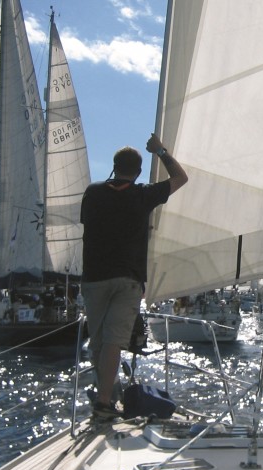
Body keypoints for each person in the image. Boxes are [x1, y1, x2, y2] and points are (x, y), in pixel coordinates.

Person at [81, 133, 188, 418]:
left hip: (94, 278)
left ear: (114, 167)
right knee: (114, 340)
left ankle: (106, 393)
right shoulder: (143, 195)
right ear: (138, 171)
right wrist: (161, 151)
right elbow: (180, 178)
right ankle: (105, 400)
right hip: (127, 280)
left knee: (100, 341)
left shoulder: (92, 193)